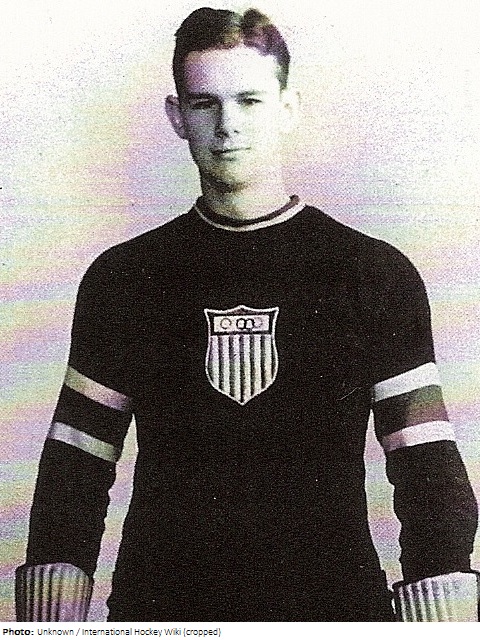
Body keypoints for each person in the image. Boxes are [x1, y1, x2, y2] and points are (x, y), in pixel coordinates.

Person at [16, 7, 478, 622]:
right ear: (177, 117)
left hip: (334, 615)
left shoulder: (371, 274)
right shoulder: (124, 279)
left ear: (287, 108)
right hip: (164, 615)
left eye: (250, 101)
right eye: (204, 103)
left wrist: (443, 630)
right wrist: (46, 633)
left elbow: (429, 473)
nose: (227, 124)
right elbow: (73, 472)